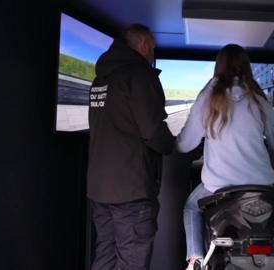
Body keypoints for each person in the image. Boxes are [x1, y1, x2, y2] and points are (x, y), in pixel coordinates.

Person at [176, 44, 274, 270]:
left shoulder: (209, 97)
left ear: (218, 67)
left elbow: (185, 145)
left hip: (219, 187)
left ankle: (195, 260)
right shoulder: (259, 98)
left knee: (191, 207)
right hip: (262, 187)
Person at [87, 24, 175, 270]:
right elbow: (152, 130)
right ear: (144, 44)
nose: (152, 54)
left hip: (99, 189)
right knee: (132, 262)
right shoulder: (140, 75)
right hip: (131, 191)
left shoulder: (100, 79)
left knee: (104, 256)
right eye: (152, 48)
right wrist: (172, 144)